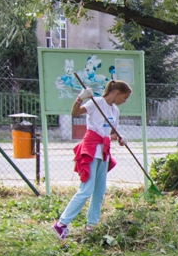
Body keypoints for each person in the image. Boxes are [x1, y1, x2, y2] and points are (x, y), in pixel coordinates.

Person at [52, 80, 132, 239]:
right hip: (90, 149)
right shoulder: (96, 103)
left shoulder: (115, 110)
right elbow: (75, 113)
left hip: (103, 151)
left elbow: (111, 132)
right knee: (86, 189)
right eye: (125, 97)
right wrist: (80, 98)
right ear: (117, 92)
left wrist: (120, 138)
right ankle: (60, 224)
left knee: (99, 190)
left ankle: (91, 225)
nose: (125, 101)